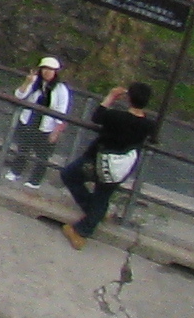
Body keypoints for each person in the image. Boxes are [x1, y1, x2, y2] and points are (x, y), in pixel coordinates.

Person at [60, 81, 156, 245]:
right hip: (120, 167)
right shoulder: (148, 125)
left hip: (96, 159)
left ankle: (83, 229)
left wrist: (111, 96)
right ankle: (94, 214)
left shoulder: (115, 116)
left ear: (128, 98)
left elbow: (97, 116)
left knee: (69, 175)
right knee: (102, 196)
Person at [0, 54, 72, 185]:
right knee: (23, 148)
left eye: (51, 69)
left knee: (42, 154)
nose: (47, 72)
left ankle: (35, 180)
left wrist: (56, 131)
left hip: (47, 125)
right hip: (30, 120)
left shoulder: (61, 89)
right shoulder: (35, 83)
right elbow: (19, 95)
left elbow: (62, 110)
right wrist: (27, 82)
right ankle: (16, 171)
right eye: (45, 69)